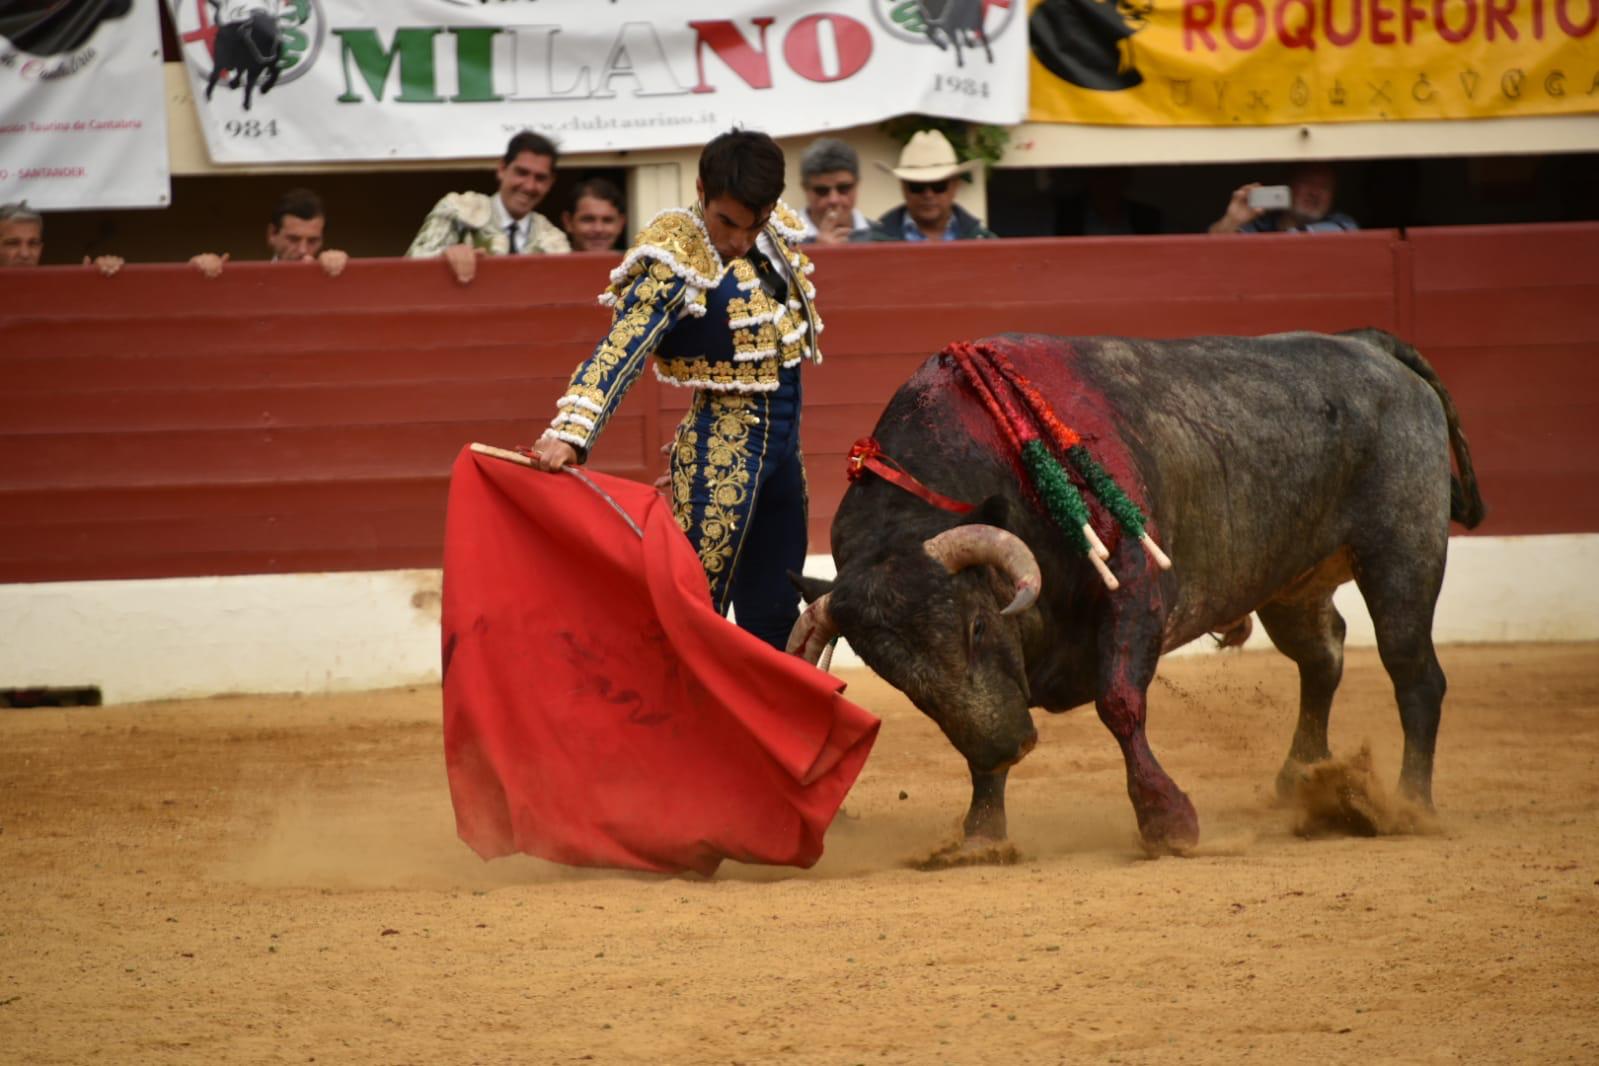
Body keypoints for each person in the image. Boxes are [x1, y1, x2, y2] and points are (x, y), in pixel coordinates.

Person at [526, 128, 821, 651]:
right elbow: (622, 347)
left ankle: (762, 734)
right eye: (727, 222)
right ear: (702, 190)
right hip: (721, 453)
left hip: (783, 457)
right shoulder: (675, 253)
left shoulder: (772, 235)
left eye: (753, 224)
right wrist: (570, 431)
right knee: (693, 611)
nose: (738, 240)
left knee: (775, 613)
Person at [407, 130, 571, 285]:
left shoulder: (554, 242)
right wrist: (442, 259)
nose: (529, 186)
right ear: (502, 169)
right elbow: (409, 270)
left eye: (540, 178)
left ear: (550, 183)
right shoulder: (458, 209)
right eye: (522, 173)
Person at [858, 129, 996, 242]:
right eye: (916, 186)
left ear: (955, 186)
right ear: (903, 187)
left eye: (938, 185)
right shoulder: (870, 243)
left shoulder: (985, 242)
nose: (928, 194)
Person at [188, 187, 349, 278]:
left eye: (312, 241)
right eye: (293, 239)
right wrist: (194, 271)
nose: (303, 250)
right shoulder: (250, 280)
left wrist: (346, 272)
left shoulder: (330, 273)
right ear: (272, 234)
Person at [1210, 161, 1358, 234]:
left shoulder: (1342, 226)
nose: (1315, 192)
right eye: (1307, 182)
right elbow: (1209, 250)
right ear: (1287, 186)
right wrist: (1232, 221)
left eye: (1324, 187)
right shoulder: (1260, 224)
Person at [0, 201, 124, 274]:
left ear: (41, 248)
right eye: (13, 243)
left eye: (33, 244)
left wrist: (95, 281)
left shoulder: (55, 289)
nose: (25, 254)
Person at [796, 137, 870, 245]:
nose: (833, 200)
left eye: (843, 188)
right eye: (822, 190)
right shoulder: (780, 242)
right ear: (805, 188)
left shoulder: (883, 236)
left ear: (857, 184)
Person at [1054, 166, 1162, 236]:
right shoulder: (1064, 216)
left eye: (1114, 173)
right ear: (1089, 177)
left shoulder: (1149, 218)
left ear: (1126, 177)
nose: (1107, 181)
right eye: (1101, 174)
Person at [561, 177, 627, 252]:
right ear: (568, 222)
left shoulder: (638, 263)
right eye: (588, 219)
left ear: (621, 224)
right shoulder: (552, 263)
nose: (598, 229)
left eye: (607, 220)